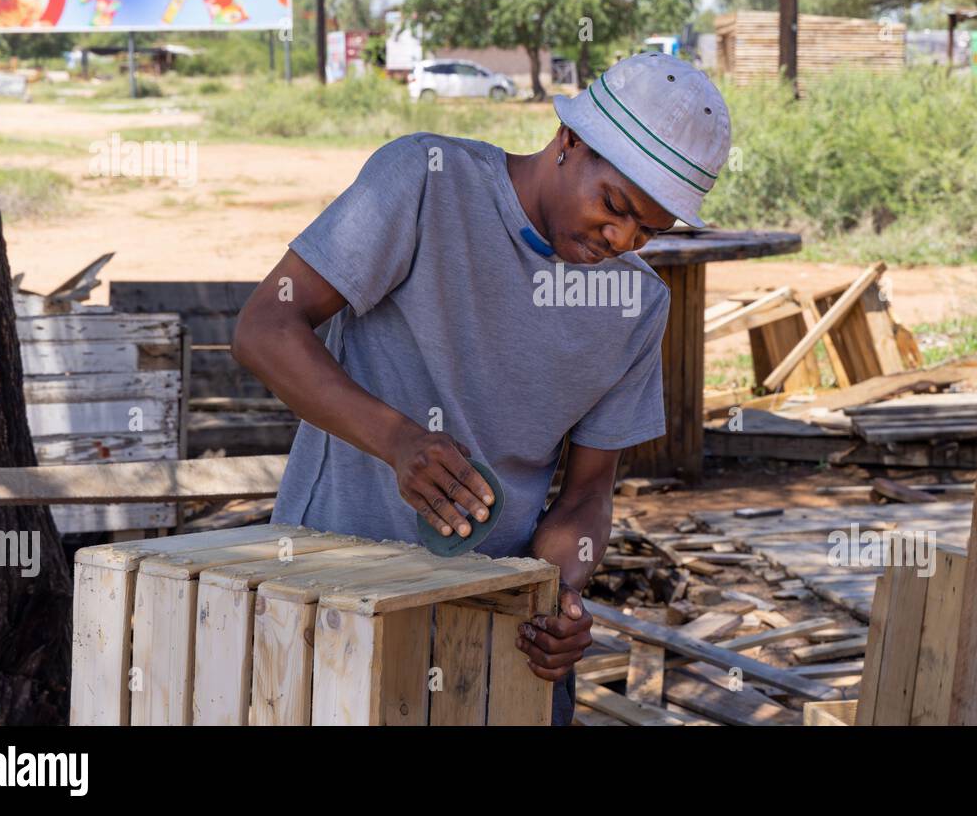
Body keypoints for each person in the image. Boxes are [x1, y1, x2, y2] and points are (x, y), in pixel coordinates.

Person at [232, 51, 731, 725]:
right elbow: (265, 327)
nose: (621, 237)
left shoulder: (636, 306)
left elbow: (587, 495)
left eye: (649, 229)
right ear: (569, 140)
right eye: (614, 205)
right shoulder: (426, 184)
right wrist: (397, 439)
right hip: (328, 602)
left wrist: (557, 593)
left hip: (491, 635)